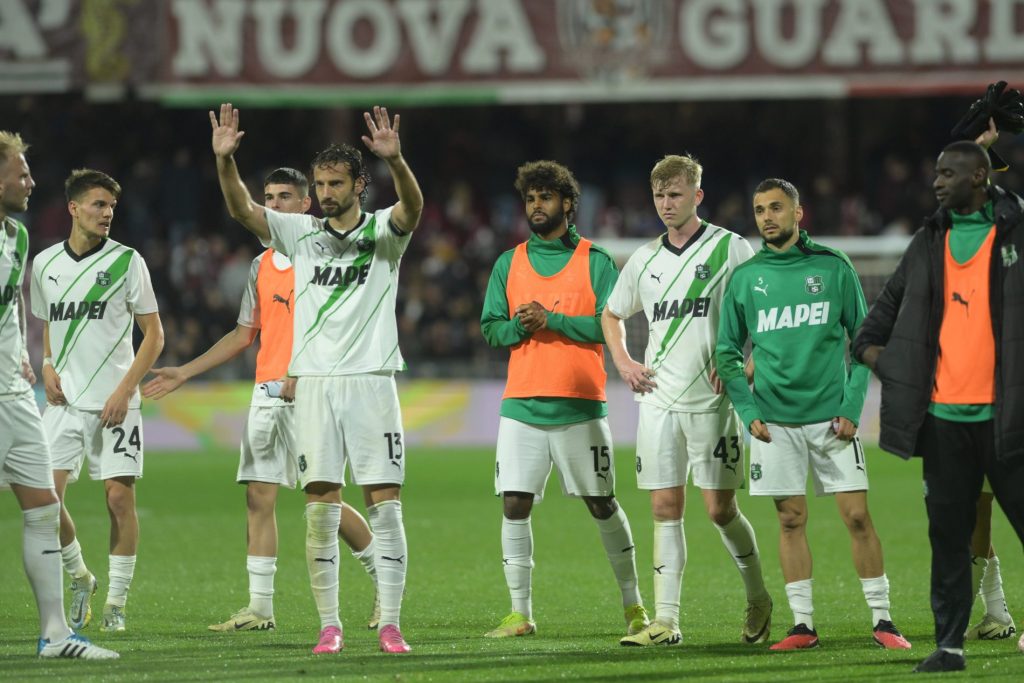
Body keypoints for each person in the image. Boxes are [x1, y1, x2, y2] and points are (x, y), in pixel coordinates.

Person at [210, 103, 423, 654]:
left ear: (359, 185)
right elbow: (242, 211)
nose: (326, 193)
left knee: (386, 502)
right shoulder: (299, 234)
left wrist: (397, 161)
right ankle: (330, 625)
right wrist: (225, 162)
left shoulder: (383, 234)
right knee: (320, 506)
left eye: (336, 183)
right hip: (315, 385)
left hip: (372, 381)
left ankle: (392, 623)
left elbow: (413, 207)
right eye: (321, 183)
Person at [141, 168, 380, 632]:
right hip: (267, 392)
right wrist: (184, 371)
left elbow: (340, 322)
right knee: (258, 495)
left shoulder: (328, 254)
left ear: (306, 203)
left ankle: (384, 580)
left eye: (285, 197)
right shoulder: (262, 264)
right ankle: (260, 608)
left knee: (324, 500)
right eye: (268, 197)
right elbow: (243, 334)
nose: (273, 205)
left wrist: (301, 368)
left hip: (313, 389)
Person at [716, 178, 911, 652]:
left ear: (798, 213)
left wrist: (850, 407)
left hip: (830, 421)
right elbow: (725, 352)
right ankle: (802, 625)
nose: (767, 217)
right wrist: (747, 408)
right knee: (789, 519)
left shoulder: (832, 267)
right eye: (760, 209)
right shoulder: (745, 279)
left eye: (777, 208)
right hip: (773, 425)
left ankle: (883, 620)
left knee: (858, 517)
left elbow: (864, 344)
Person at [852, 140, 1024, 673]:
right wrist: (900, 374)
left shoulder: (1014, 233)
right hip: (945, 423)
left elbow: (1012, 205)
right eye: (936, 174)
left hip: (1009, 420)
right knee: (948, 541)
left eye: (950, 173)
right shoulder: (928, 243)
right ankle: (949, 645)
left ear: (981, 180)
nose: (937, 182)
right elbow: (869, 332)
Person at [602, 154, 771, 647]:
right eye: (659, 196)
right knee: (663, 506)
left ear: (698, 196)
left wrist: (746, 363)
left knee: (719, 509)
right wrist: (626, 363)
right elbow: (611, 315)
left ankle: (758, 595)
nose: (666, 205)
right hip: (658, 400)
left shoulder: (730, 249)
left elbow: (765, 306)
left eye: (675, 195)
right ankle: (667, 622)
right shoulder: (645, 258)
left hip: (714, 402)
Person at [480, 160, 649, 641]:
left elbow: (609, 324)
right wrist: (520, 327)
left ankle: (634, 606)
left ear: (568, 204)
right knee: (514, 503)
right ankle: (519, 613)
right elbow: (491, 327)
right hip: (522, 408)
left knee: (601, 502)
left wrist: (551, 321)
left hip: (580, 405)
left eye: (546, 197)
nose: (536, 205)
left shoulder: (595, 260)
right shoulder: (507, 263)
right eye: (530, 198)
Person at [29, 168, 164, 636]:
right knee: (44, 502)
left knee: (119, 500)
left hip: (116, 402)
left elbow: (155, 336)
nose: (107, 213)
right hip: (64, 401)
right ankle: (81, 576)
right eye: (98, 204)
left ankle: (117, 605)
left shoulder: (128, 262)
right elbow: (48, 322)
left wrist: (125, 389)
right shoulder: (45, 264)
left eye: (111, 206)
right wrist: (46, 363)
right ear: (73, 208)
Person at [0, 134, 118, 660]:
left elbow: (16, 307)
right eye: (21, 174)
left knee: (44, 507)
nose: (30, 183)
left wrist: (24, 355)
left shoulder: (18, 237)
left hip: (16, 394)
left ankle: (55, 636)